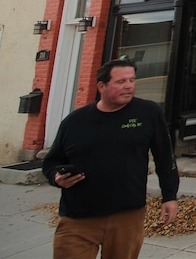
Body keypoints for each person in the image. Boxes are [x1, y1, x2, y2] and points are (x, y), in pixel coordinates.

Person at [42, 58, 180, 259]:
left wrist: (169, 196)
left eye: (132, 80)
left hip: (127, 216)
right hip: (78, 218)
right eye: (121, 82)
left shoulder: (148, 113)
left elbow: (165, 157)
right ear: (101, 86)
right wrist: (56, 176)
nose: (129, 87)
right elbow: (51, 162)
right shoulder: (74, 122)